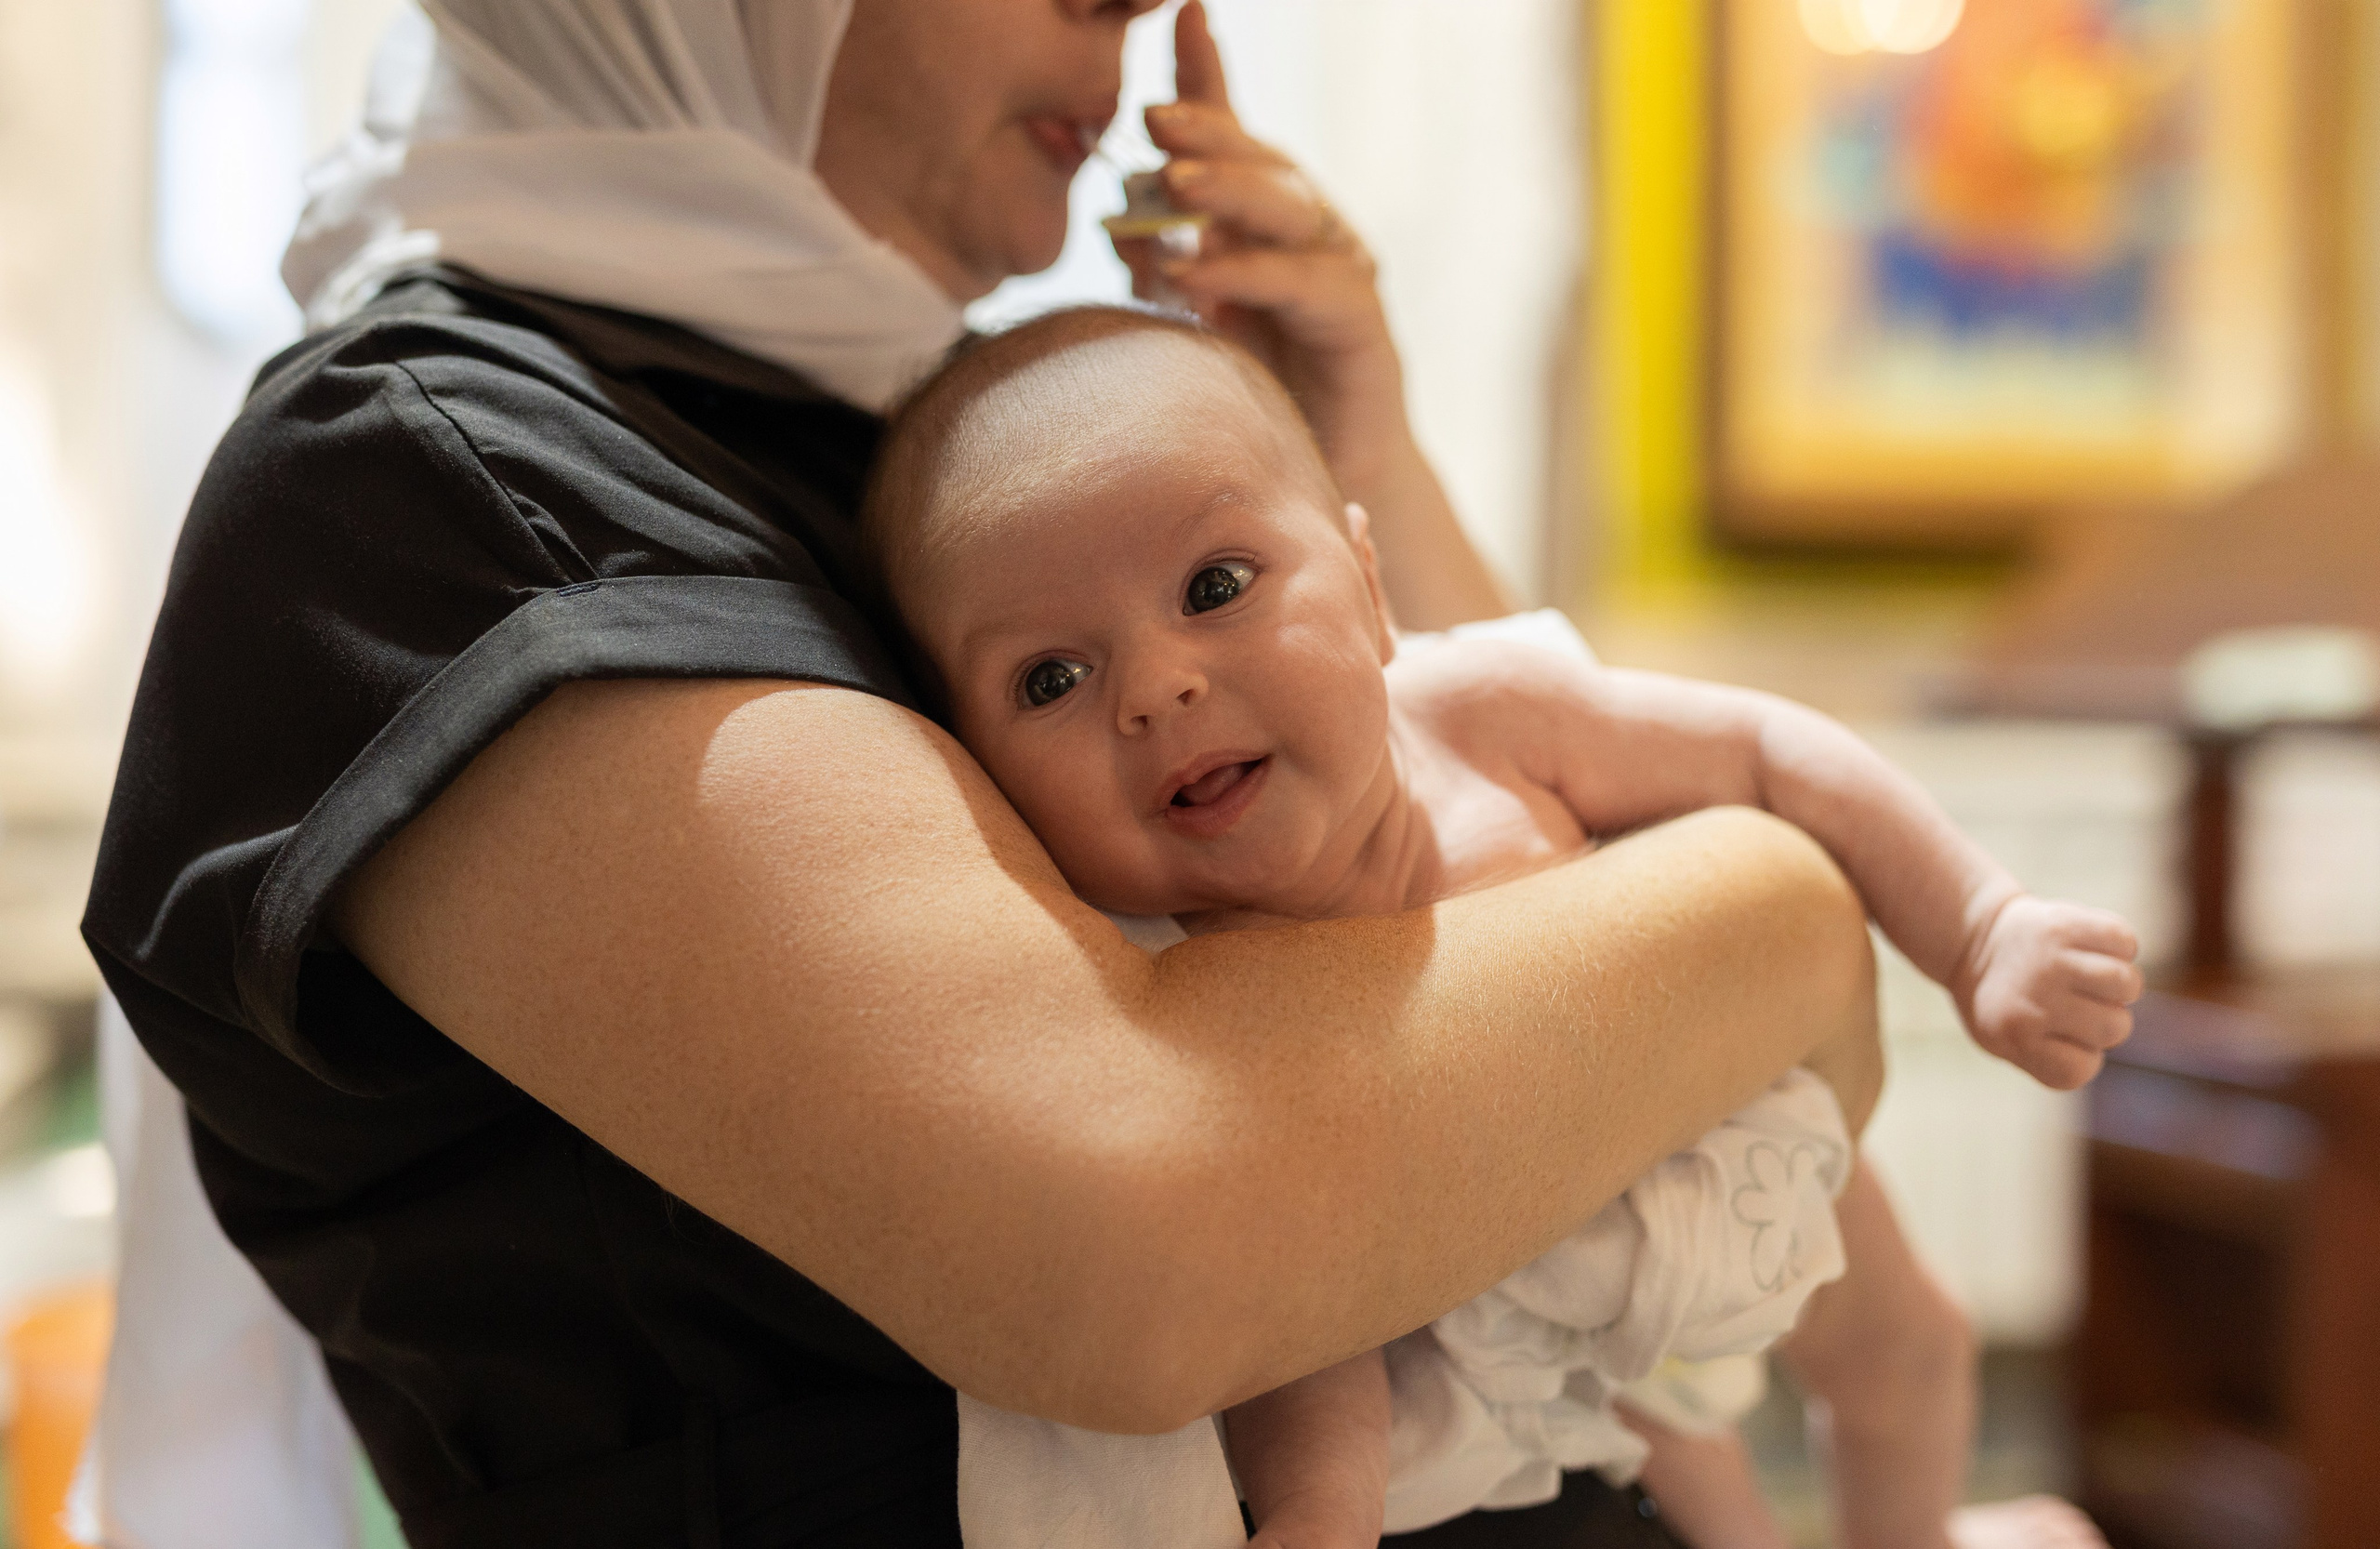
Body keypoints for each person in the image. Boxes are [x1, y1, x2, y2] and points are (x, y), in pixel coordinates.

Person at [85, 3, 1893, 1545]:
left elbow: (1517, 839)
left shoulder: (918, 421)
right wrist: (1787, 905)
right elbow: (1146, 1252)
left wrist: (1355, 449)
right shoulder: (450, 487)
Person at [856, 307, 2138, 1549]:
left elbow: (1768, 751)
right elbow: (1304, 1319)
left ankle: (1913, 1534)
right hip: (1519, 1299)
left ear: (1365, 587)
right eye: (1050, 678)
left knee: (1910, 1347)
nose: (1156, 686)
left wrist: (1982, 926)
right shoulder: (1173, 974)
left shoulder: (1483, 712)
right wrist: (1318, 1512)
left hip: (1710, 1126)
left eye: (1216, 583)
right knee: (1683, 1466)